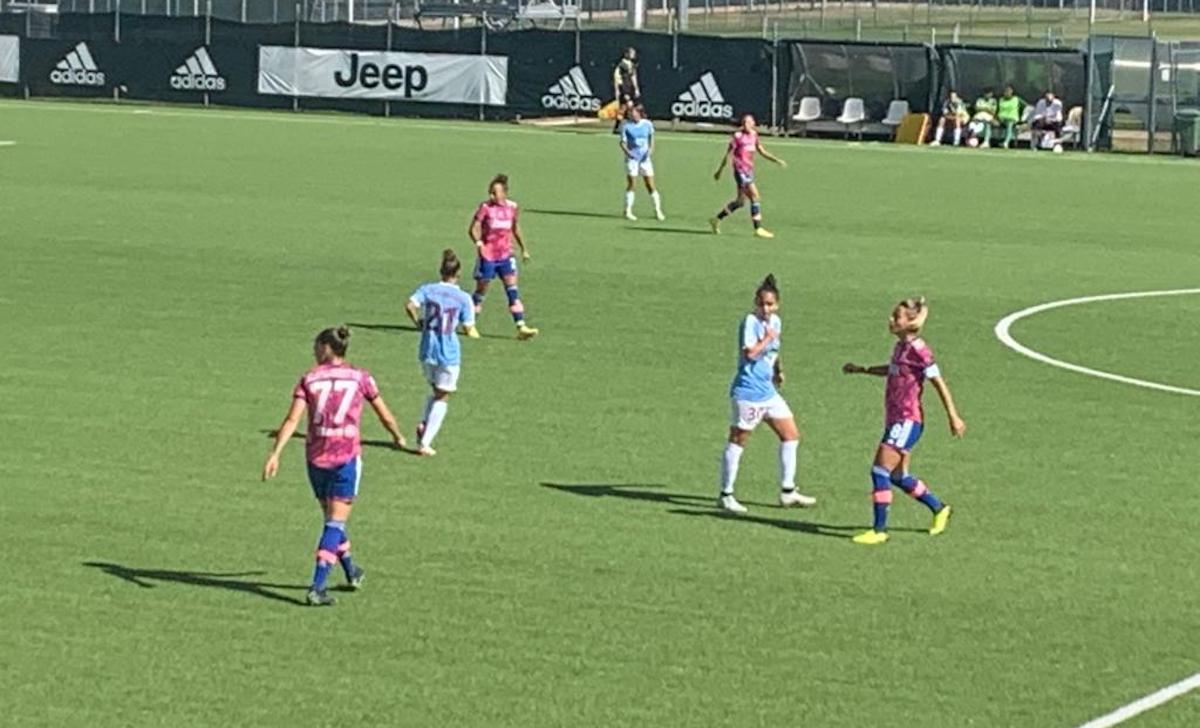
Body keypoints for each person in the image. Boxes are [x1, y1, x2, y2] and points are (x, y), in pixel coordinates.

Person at [262, 326, 406, 606]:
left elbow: (291, 420)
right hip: (345, 458)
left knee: (332, 520)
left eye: (316, 346)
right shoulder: (360, 377)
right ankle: (317, 587)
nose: (314, 351)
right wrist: (397, 436)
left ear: (327, 347)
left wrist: (275, 453)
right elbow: (384, 414)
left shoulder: (309, 379)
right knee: (334, 522)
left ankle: (352, 571)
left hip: (316, 459)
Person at [842, 298, 965, 546]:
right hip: (895, 420)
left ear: (909, 322)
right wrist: (863, 369)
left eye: (896, 317)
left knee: (879, 470)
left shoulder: (920, 350)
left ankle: (879, 530)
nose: (890, 320)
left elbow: (938, 383)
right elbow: (893, 370)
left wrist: (953, 416)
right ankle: (939, 508)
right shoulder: (901, 347)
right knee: (898, 476)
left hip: (908, 420)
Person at [717, 274, 817, 515]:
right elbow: (751, 354)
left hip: (768, 392)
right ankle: (726, 494)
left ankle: (787, 491)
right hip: (749, 392)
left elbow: (775, 350)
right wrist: (767, 338)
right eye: (761, 303)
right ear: (756, 303)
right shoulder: (750, 322)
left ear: (777, 305)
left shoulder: (776, 322)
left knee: (791, 435)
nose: (765, 308)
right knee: (738, 440)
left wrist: (778, 370)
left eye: (770, 304)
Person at [405, 249, 479, 457]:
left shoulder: (428, 289)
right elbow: (468, 326)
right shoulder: (463, 298)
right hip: (448, 351)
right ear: (459, 273)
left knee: (436, 391)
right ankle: (425, 442)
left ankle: (424, 423)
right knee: (443, 396)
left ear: (441, 271)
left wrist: (418, 323)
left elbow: (409, 305)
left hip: (427, 348)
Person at [469, 173, 539, 341]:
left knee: (512, 290)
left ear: (504, 193)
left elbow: (515, 227)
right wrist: (479, 244)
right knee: (481, 291)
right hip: (488, 256)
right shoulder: (485, 208)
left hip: (506, 255)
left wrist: (524, 249)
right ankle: (469, 323)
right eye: (490, 192)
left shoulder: (512, 207)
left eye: (495, 192)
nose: (491, 196)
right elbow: (473, 228)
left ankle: (521, 326)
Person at [710, 114, 786, 240]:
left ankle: (716, 219)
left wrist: (776, 160)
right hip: (740, 171)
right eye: (744, 122)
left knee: (740, 202)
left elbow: (762, 151)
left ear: (753, 123)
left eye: (748, 122)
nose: (745, 124)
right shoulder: (737, 136)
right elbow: (728, 155)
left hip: (749, 171)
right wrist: (720, 171)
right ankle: (758, 228)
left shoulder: (754, 135)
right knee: (755, 196)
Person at [619, 104, 664, 221]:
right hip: (632, 160)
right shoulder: (626, 126)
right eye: (630, 114)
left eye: (634, 113)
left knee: (650, 185)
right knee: (632, 185)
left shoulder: (647, 124)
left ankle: (658, 210)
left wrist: (651, 150)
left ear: (639, 114)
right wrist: (629, 153)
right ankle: (628, 211)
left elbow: (651, 138)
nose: (632, 115)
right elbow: (622, 143)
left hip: (645, 159)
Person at [611, 47, 640, 134]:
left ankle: (617, 127)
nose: (633, 55)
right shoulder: (621, 65)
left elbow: (634, 77)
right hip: (624, 88)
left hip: (630, 88)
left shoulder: (632, 65)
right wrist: (617, 89)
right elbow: (616, 77)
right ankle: (632, 126)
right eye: (631, 53)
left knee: (623, 108)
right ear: (626, 54)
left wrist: (636, 88)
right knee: (629, 105)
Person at [996, 85, 1026, 149]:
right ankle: (990, 142)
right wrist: (997, 117)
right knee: (990, 123)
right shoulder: (1001, 100)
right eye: (1006, 91)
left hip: (1012, 119)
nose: (1007, 93)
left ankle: (1006, 142)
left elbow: (1026, 106)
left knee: (1009, 124)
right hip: (1001, 119)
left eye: (1009, 91)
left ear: (1012, 92)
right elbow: (997, 110)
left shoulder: (1016, 99)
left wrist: (1022, 116)